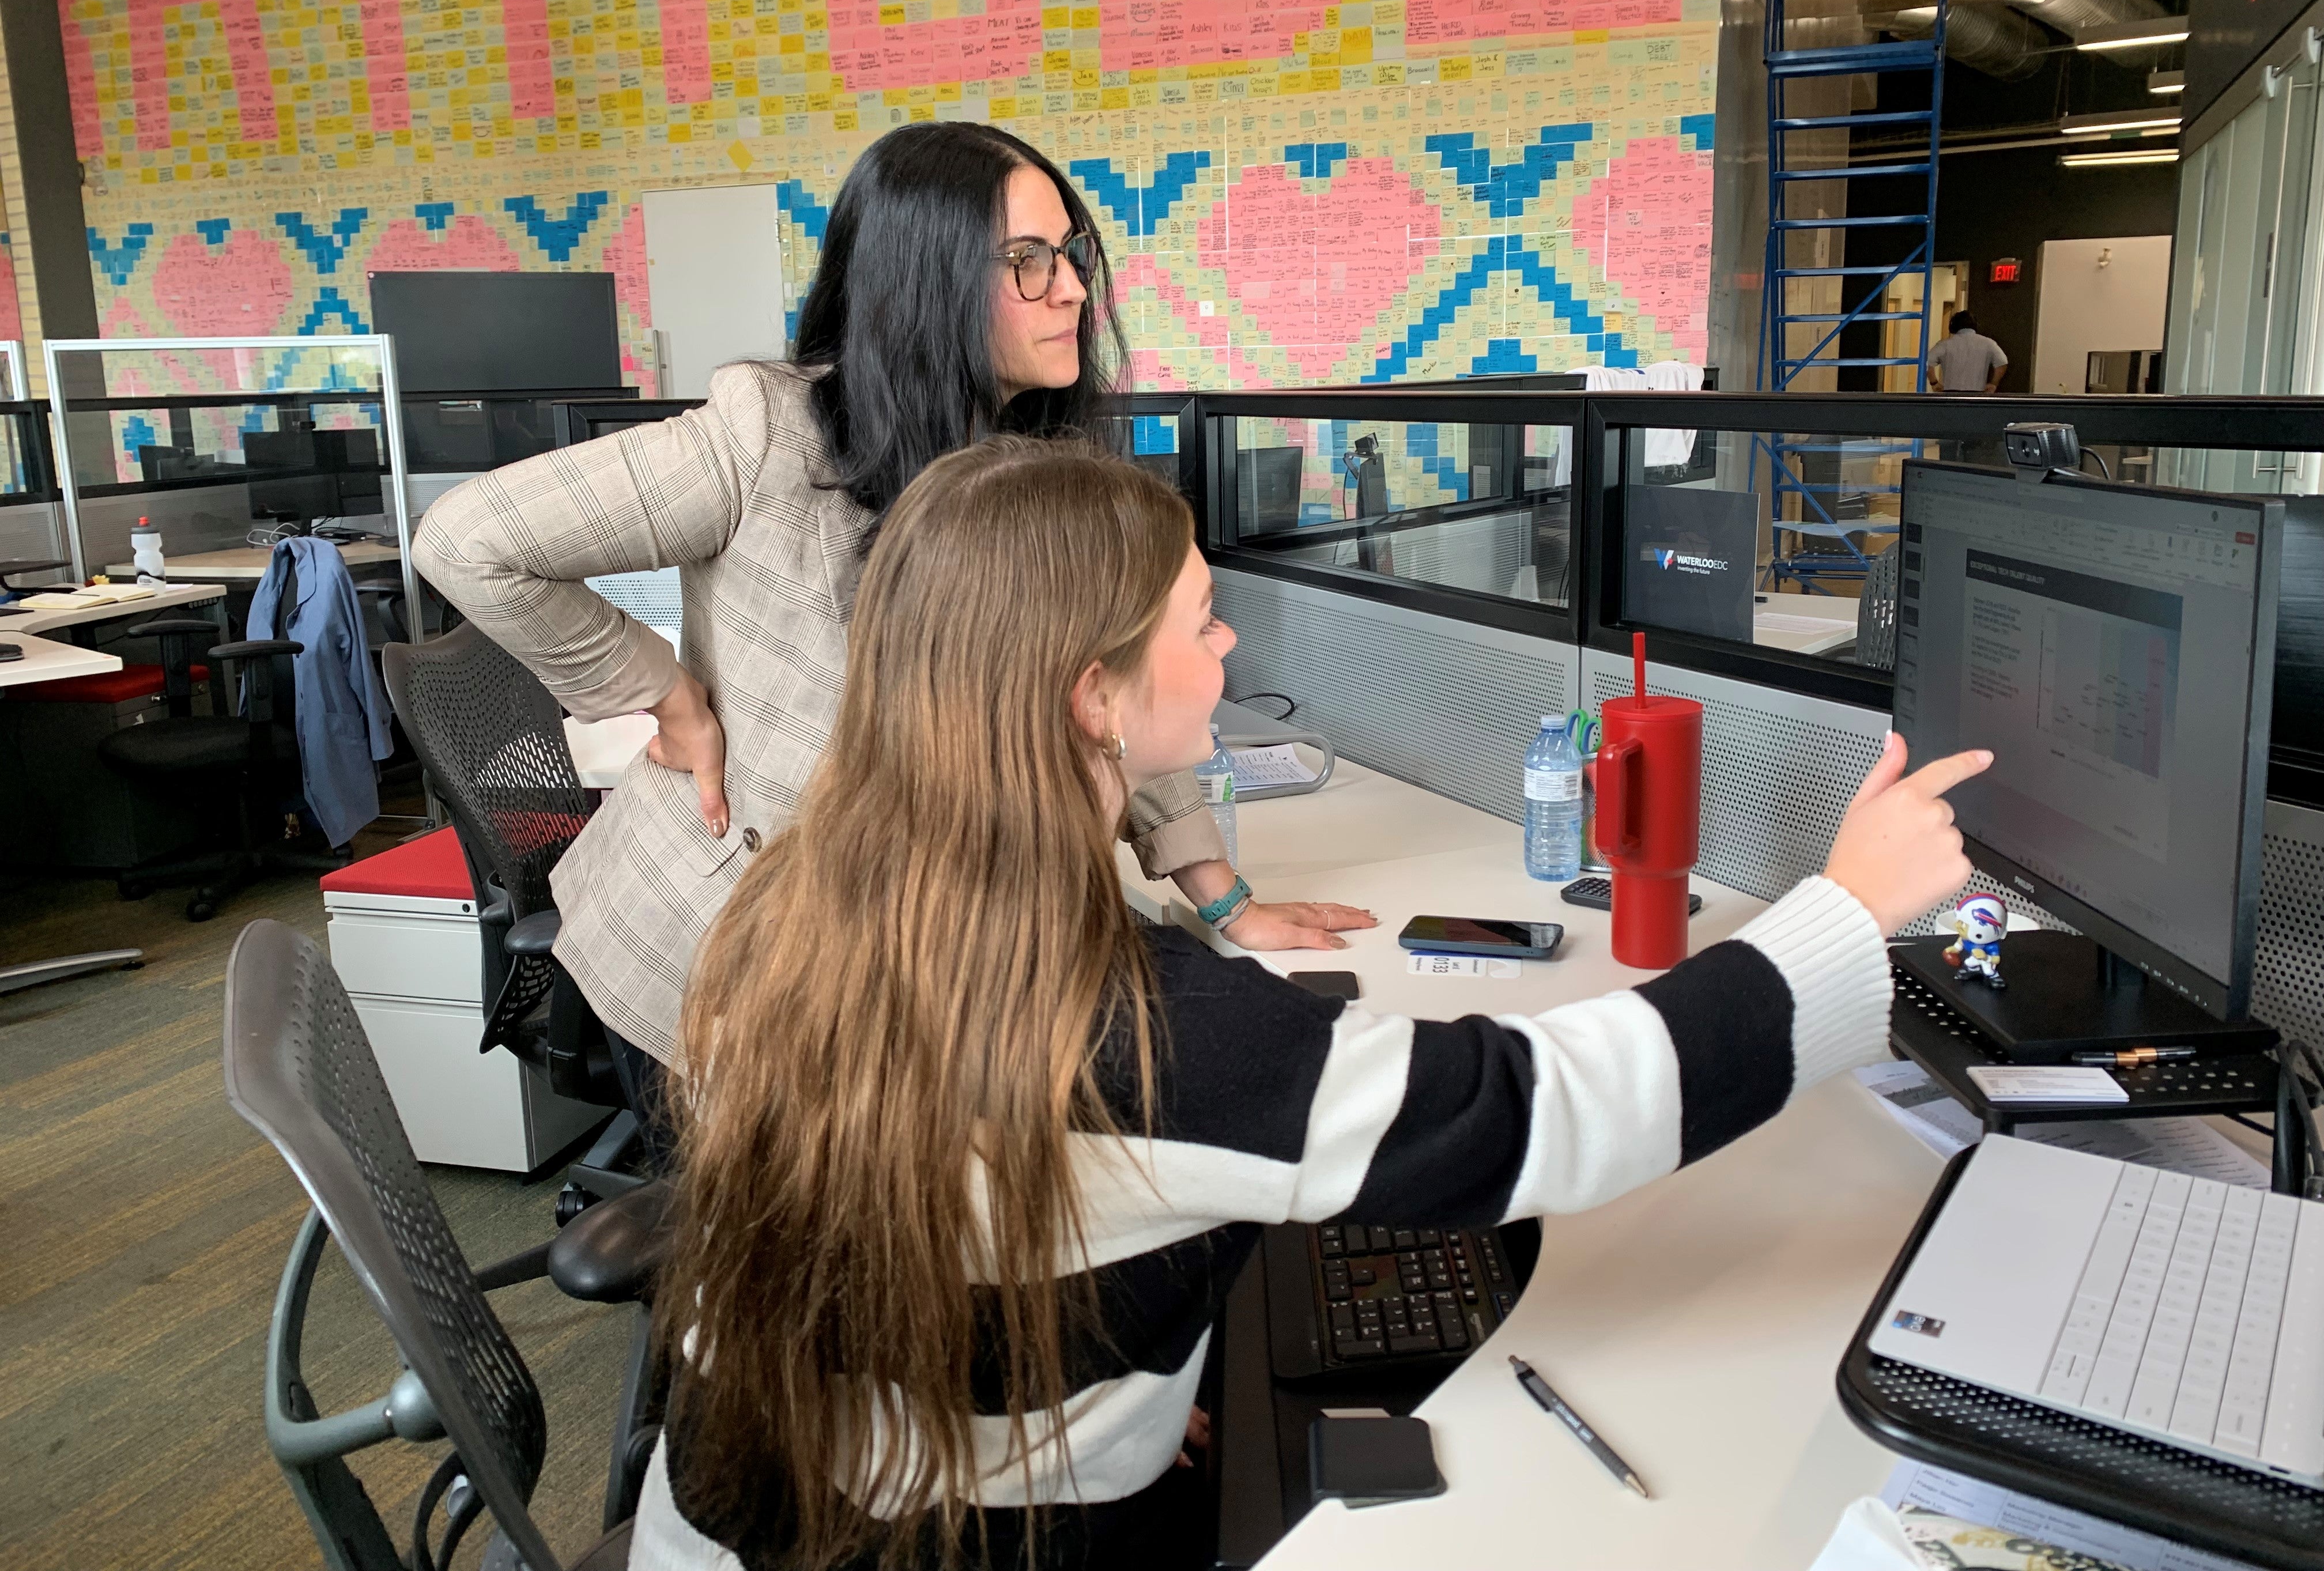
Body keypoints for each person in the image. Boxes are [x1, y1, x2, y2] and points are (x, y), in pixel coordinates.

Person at [633, 436, 1992, 1571]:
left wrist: (1129, 1391)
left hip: (741, 1510)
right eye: (1200, 620)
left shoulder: (796, 906)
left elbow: (942, 1245)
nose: (1229, 643)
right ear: (1094, 697)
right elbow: (1539, 1113)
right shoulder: (1148, 1033)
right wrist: (1848, 914)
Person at [416, 124, 1372, 1110]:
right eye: (1028, 260)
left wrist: (1222, 897)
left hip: (891, 953)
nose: (1072, 292)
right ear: (926, 278)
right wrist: (663, 692)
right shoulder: (769, 435)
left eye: (1070, 254)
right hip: (716, 961)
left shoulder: (1033, 459)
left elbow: (1114, 694)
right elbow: (468, 539)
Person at [1927, 309, 2008, 394]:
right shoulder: (1988, 343)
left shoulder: (1945, 345)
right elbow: (2002, 362)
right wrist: (1994, 384)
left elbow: (1926, 362)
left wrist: (1934, 383)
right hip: (1978, 395)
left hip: (1951, 394)